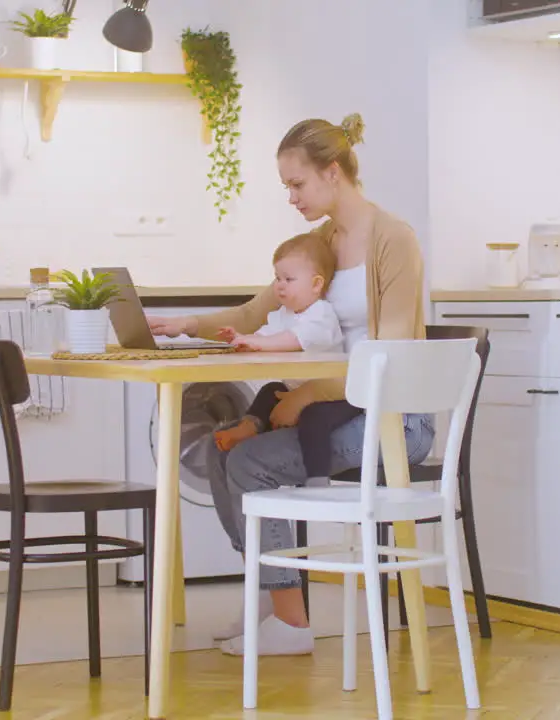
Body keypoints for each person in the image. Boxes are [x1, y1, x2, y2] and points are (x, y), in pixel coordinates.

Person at [147, 112, 434, 656]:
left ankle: (292, 623)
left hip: (391, 421)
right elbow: (258, 310)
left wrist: (306, 392)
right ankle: (267, 589)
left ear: (332, 173)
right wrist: (183, 325)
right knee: (218, 449)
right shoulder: (320, 242)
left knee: (250, 460)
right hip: (332, 411)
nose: (291, 197)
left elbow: (388, 358)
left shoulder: (394, 240)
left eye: (296, 184)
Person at [212, 232, 361, 481]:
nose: (279, 285)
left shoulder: (321, 316)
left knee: (314, 419)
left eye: (289, 279)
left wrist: (257, 342)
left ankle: (317, 478)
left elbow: (293, 339)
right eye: (277, 278)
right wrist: (242, 340)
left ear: (316, 284)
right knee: (271, 389)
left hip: (334, 397)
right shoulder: (283, 314)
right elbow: (264, 335)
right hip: (294, 391)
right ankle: (249, 426)